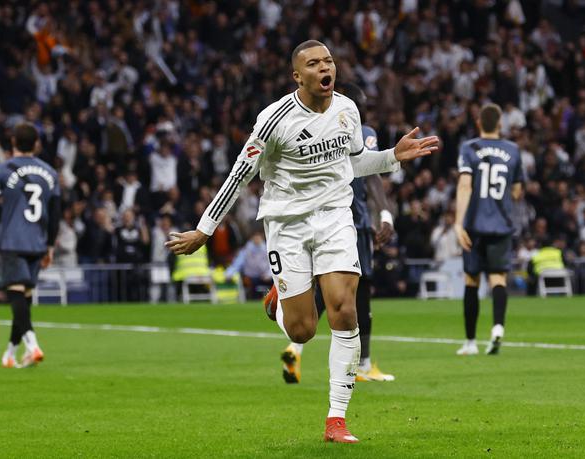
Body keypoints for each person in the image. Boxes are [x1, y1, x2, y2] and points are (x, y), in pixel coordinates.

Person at [165, 40, 439, 443]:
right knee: (302, 332)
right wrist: (205, 230)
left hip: (335, 218)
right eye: (314, 63)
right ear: (298, 75)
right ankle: (278, 300)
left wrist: (391, 156)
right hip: (287, 225)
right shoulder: (273, 120)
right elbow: (240, 175)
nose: (325, 67)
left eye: (328, 60)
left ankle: (336, 420)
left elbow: (353, 163)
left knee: (344, 310)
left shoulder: (348, 109)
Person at [279, 82, 396, 385]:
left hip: (317, 219)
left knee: (327, 294)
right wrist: (384, 214)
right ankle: (364, 364)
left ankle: (295, 347)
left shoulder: (313, 125)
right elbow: (372, 177)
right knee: (360, 293)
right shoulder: (361, 129)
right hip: (351, 222)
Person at [0, 123, 60, 368]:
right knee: (24, 298)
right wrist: (50, 246)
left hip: (13, 240)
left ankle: (33, 345)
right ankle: (10, 353)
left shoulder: (2, 171)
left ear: (13, 143)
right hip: (38, 242)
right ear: (37, 143)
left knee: (15, 295)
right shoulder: (50, 173)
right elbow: (55, 213)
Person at [454, 103, 523, 356]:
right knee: (498, 279)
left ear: (479, 123)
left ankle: (471, 342)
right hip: (501, 224)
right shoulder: (514, 150)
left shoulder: (469, 147)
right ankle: (497, 329)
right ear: (501, 123)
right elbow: (516, 191)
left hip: (474, 224)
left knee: (471, 280)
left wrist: (458, 222)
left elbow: (464, 186)